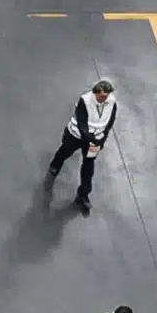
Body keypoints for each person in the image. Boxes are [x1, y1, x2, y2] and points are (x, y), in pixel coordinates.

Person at [47, 79, 118, 214]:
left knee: (88, 166)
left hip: (94, 141)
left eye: (106, 96)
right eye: (102, 96)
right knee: (64, 152)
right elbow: (82, 125)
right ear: (95, 93)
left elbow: (110, 121)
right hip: (76, 136)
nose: (105, 99)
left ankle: (83, 194)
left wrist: (101, 140)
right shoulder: (84, 101)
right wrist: (92, 139)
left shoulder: (112, 102)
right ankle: (55, 165)